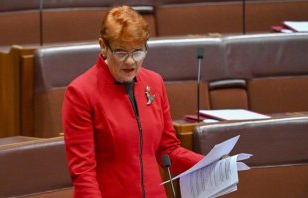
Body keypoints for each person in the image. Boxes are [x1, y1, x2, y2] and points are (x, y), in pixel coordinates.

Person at [62, 5, 204, 198]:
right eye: (121, 52)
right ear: (103, 46)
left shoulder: (154, 82)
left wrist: (210, 163)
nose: (130, 62)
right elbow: (83, 173)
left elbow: (167, 149)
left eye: (138, 52)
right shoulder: (81, 93)